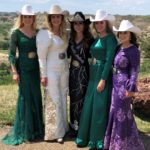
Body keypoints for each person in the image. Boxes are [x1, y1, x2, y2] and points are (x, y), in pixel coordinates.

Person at [75, 9, 118, 149]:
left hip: (101, 74)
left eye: (101, 22)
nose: (99, 25)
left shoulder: (110, 38)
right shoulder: (98, 37)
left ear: (106, 23)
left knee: (99, 107)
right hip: (93, 75)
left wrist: (103, 79)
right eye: (97, 23)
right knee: (90, 105)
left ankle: (98, 140)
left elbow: (109, 60)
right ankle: (86, 137)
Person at [2, 4, 44, 145]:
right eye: (25, 16)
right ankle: (26, 130)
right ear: (22, 17)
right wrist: (14, 72)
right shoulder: (16, 33)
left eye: (30, 17)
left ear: (33, 18)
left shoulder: (38, 32)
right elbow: (12, 54)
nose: (27, 19)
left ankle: (37, 129)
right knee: (25, 98)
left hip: (35, 69)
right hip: (24, 69)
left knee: (36, 96)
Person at [104, 20, 145, 150]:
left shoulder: (134, 51)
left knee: (122, 113)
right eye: (120, 33)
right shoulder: (118, 47)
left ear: (130, 34)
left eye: (125, 33)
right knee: (115, 112)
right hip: (115, 85)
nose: (122, 35)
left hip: (124, 88)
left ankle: (121, 144)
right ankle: (115, 142)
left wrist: (131, 89)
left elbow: (135, 70)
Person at [36, 5, 69, 143]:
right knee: (54, 98)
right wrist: (43, 75)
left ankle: (63, 128)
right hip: (51, 70)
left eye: (58, 16)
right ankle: (54, 133)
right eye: (53, 17)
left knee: (62, 97)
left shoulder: (64, 32)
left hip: (63, 69)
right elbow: (41, 57)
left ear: (62, 18)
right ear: (49, 19)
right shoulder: (44, 34)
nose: (56, 19)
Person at [67, 12, 94, 138]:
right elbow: (66, 55)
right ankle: (73, 127)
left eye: (80, 23)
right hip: (72, 73)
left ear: (84, 25)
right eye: (75, 23)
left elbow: (93, 57)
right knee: (73, 100)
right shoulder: (70, 39)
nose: (78, 25)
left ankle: (82, 128)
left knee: (82, 100)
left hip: (84, 75)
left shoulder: (90, 40)